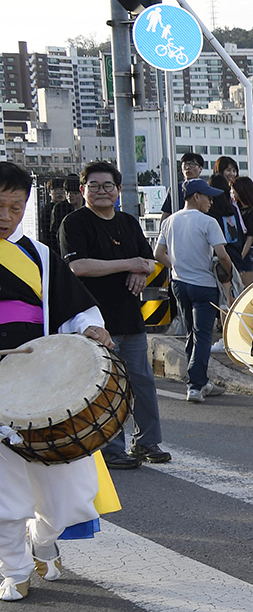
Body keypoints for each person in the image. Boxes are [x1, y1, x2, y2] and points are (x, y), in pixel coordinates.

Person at [0, 161, 116, 601]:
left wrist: (90, 327)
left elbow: (75, 308)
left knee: (75, 496)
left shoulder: (40, 256)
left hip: (44, 388)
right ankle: (13, 568)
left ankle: (42, 541)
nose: (6, 215)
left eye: (16, 206)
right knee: (4, 495)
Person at [59, 161, 168, 469]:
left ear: (119, 191)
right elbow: (79, 267)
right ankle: (110, 447)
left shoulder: (128, 222)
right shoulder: (75, 223)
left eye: (108, 186)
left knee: (142, 382)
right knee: (105, 386)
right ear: (83, 190)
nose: (102, 191)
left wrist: (141, 272)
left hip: (130, 317)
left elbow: (149, 261)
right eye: (94, 186)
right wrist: (129, 263)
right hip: (93, 321)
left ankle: (147, 442)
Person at [155, 178, 233, 402]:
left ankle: (201, 381)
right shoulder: (208, 222)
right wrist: (226, 273)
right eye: (208, 196)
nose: (211, 200)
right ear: (196, 197)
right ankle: (196, 385)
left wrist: (178, 266)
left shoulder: (169, 221)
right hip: (204, 285)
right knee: (202, 335)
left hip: (180, 284)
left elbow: (158, 254)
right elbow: (223, 254)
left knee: (191, 333)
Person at [227, 176, 253, 286]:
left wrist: (241, 257)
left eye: (233, 189)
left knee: (249, 281)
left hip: (247, 250)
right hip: (243, 249)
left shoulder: (251, 212)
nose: (232, 192)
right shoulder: (236, 209)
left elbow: (250, 237)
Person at [160, 153, 205, 220]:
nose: (187, 167)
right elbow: (166, 213)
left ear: (200, 169)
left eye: (192, 164)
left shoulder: (205, 188)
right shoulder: (175, 189)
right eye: (185, 164)